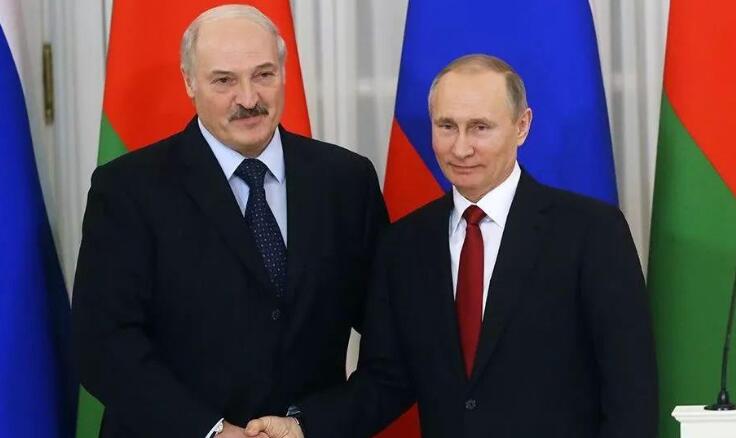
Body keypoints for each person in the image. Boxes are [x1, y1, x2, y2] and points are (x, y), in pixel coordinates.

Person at [246, 54, 658, 438]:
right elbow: (387, 380)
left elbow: (630, 390)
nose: (460, 148)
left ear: (522, 126)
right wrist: (301, 427)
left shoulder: (591, 233)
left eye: (480, 127)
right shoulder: (404, 245)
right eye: (446, 126)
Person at [71, 5, 387, 437]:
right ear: (189, 82)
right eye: (224, 80)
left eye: (263, 75)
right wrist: (212, 432)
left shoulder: (346, 181)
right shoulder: (128, 189)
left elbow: (391, 337)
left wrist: (310, 426)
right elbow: (103, 345)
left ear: (283, 72)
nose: (249, 99)